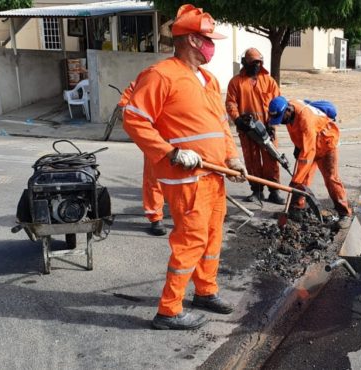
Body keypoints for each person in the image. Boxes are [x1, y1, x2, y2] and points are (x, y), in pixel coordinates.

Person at [123, 4, 248, 331]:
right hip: (186, 176)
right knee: (190, 240)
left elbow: (221, 125)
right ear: (192, 40)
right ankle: (169, 310)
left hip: (213, 174)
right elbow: (134, 119)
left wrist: (232, 157)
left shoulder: (208, 79)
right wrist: (170, 152)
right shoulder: (161, 75)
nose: (212, 45)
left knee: (212, 237)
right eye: (208, 39)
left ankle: (205, 291)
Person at [267, 96, 352, 228]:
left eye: (282, 118)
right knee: (302, 181)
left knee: (331, 179)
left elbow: (308, 153)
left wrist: (295, 179)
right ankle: (296, 211)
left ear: (288, 110)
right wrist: (297, 146)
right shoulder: (289, 113)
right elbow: (302, 139)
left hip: (326, 144)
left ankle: (344, 213)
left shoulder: (306, 118)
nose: (282, 122)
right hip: (309, 145)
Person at [225, 48, 284, 205]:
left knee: (272, 159)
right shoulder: (236, 82)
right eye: (253, 62)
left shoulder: (268, 81)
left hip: (267, 128)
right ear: (245, 63)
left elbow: (277, 102)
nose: (256, 65)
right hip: (247, 129)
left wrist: (272, 124)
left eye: (259, 62)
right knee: (252, 160)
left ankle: (274, 191)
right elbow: (231, 102)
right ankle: (257, 191)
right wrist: (237, 120)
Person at [118, 81, 167, 236]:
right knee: (154, 179)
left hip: (184, 136)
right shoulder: (153, 78)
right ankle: (155, 218)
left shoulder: (196, 79)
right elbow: (126, 104)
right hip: (156, 138)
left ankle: (187, 216)